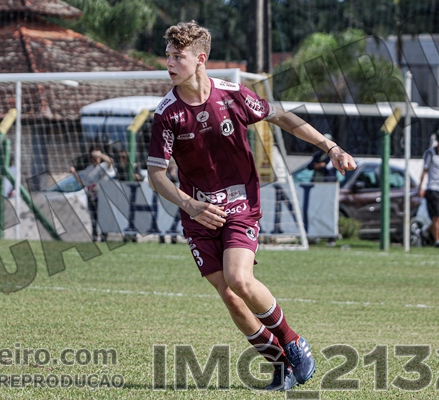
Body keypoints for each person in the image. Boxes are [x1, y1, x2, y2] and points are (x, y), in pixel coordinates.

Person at [147, 21, 356, 391]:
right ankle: (281, 365)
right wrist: (190, 205)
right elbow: (156, 174)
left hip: (241, 203)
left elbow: (283, 118)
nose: (170, 63)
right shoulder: (167, 113)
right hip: (198, 214)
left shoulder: (233, 95)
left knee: (239, 279)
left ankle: (293, 341)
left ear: (201, 59)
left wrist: (330, 146)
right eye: (168, 56)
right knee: (230, 296)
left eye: (178, 56)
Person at [71, 149, 116, 241]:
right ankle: (95, 237)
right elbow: (82, 182)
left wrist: (100, 154)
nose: (95, 159)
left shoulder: (104, 166)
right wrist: (74, 173)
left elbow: (110, 161)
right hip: (91, 197)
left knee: (103, 218)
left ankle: (104, 238)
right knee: (94, 219)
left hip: (102, 197)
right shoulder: (88, 169)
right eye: (93, 157)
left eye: (97, 157)